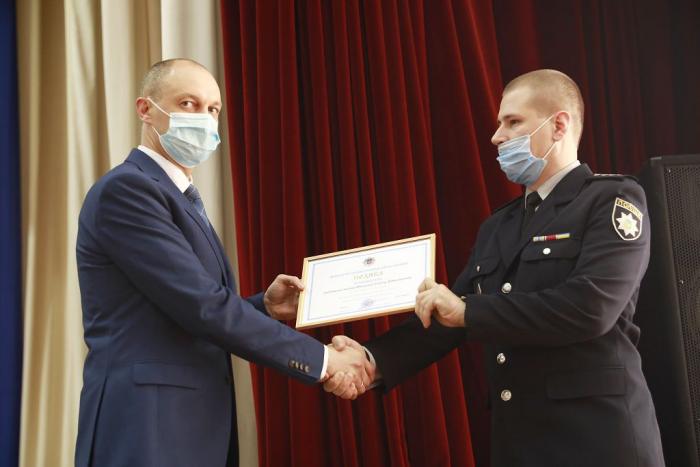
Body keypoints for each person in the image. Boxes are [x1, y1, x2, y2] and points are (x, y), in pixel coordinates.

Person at [326, 69, 665, 467]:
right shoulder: (499, 225)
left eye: (513, 121)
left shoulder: (613, 200)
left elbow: (591, 308)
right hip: (520, 443)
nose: (496, 136)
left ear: (558, 125)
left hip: (599, 442)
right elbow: (447, 318)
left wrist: (467, 311)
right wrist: (371, 360)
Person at [75, 58, 371, 467]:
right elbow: (202, 306)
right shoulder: (128, 190)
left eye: (212, 109)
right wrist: (324, 361)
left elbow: (181, 312)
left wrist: (263, 307)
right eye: (188, 104)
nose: (204, 118)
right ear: (146, 109)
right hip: (146, 426)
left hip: (188, 426)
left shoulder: (177, 196)